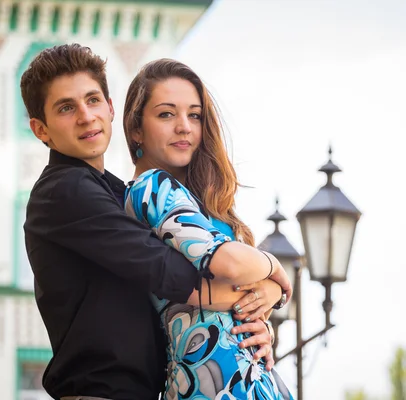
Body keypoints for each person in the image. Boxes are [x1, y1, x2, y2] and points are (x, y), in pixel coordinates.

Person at [21, 44, 285, 400]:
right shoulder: (66, 190)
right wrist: (273, 279)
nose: (86, 116)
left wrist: (264, 298)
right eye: (67, 108)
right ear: (41, 129)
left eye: (93, 100)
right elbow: (172, 276)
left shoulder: (118, 194)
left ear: (110, 108)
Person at [122, 58, 294, 399]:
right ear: (136, 129)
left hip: (251, 383)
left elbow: (238, 278)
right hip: (208, 386)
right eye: (166, 114)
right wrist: (274, 269)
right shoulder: (150, 189)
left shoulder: (201, 204)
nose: (184, 126)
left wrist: (268, 296)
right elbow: (229, 264)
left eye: (194, 115)